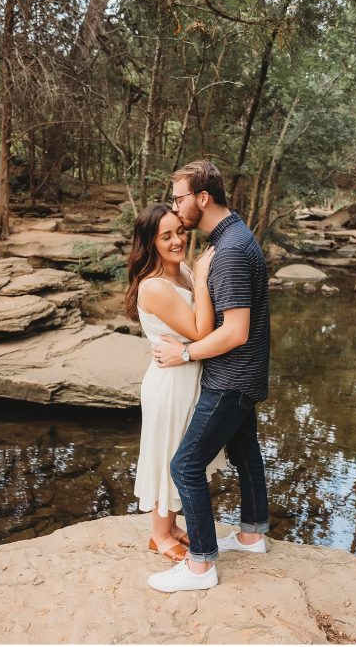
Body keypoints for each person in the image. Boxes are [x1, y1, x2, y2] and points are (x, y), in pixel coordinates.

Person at [146, 160, 272, 593]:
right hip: (243, 374)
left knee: (185, 465)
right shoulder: (233, 237)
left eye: (180, 198)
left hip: (230, 377)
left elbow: (234, 331)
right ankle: (253, 535)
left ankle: (200, 566)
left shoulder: (231, 250)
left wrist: (184, 352)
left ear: (202, 198)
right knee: (246, 453)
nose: (177, 209)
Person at [124, 203, 225, 562]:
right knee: (168, 452)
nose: (177, 240)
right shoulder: (154, 287)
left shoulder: (179, 271)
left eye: (179, 232)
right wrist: (201, 279)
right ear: (150, 242)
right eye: (165, 236)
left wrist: (193, 278)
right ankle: (158, 535)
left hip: (187, 374)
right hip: (169, 382)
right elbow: (201, 330)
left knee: (183, 450)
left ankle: (170, 526)